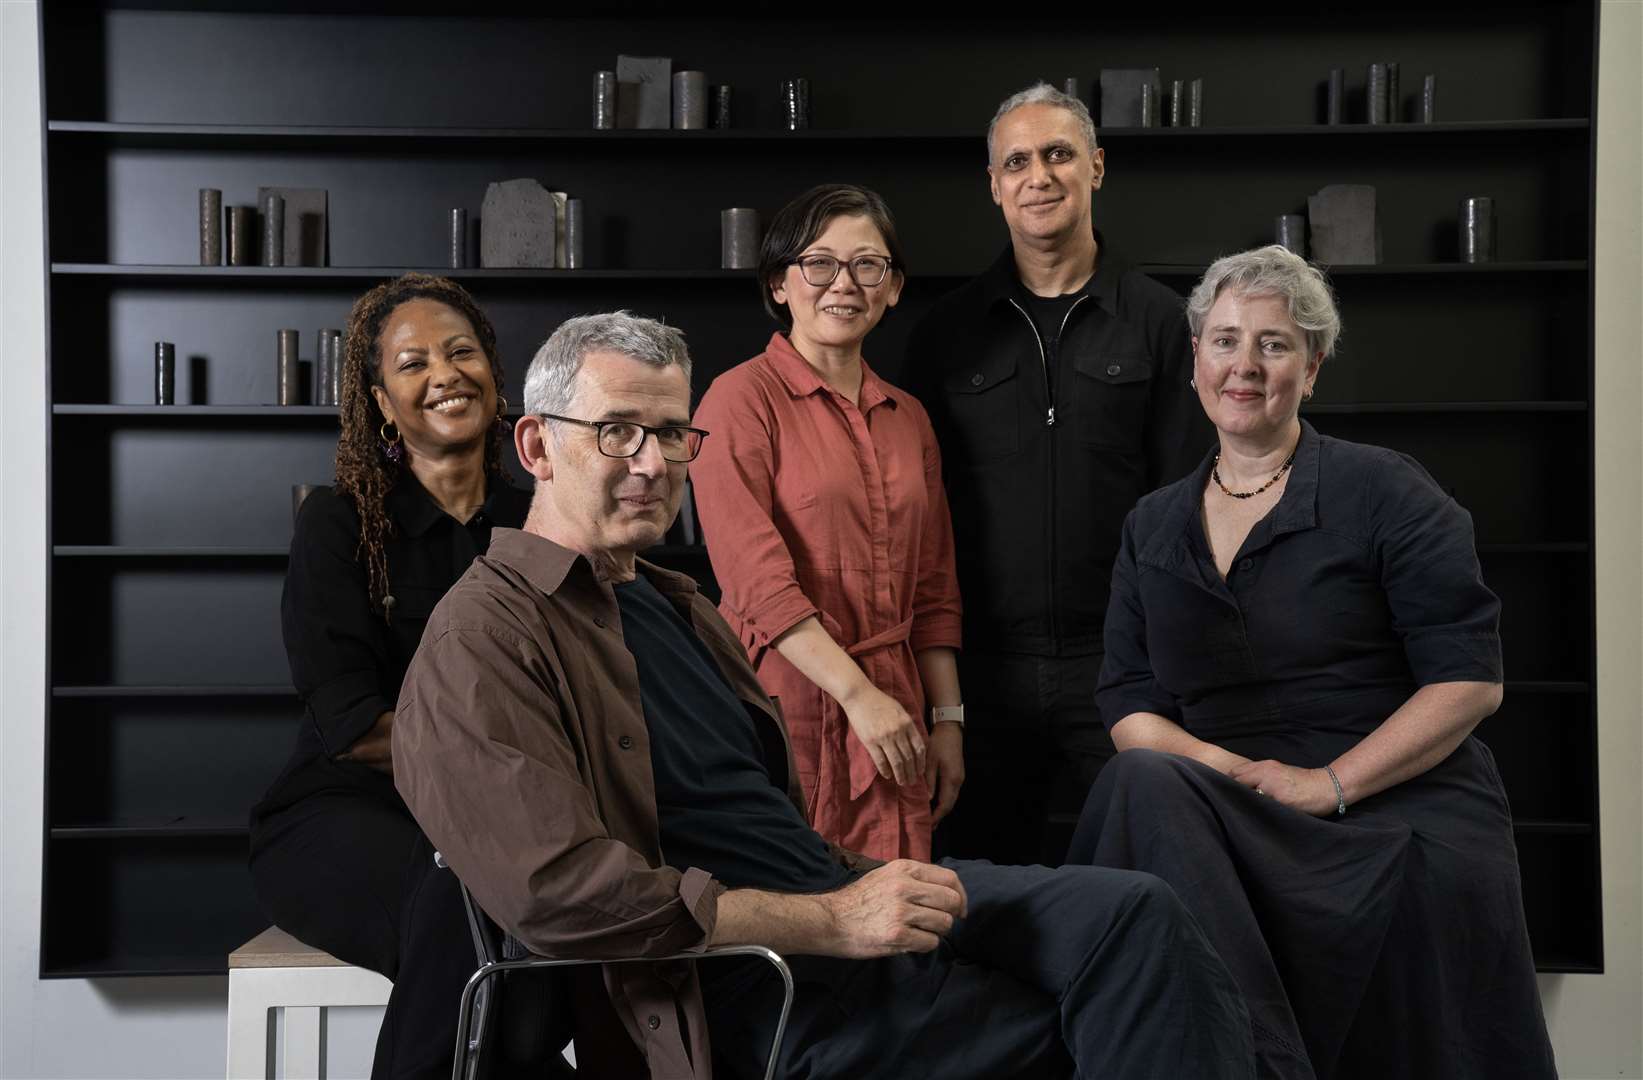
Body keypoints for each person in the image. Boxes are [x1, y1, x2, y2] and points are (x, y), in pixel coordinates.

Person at [391, 311, 1256, 1080]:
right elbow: (559, 898)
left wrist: (868, 887)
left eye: (669, 432)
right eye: (616, 432)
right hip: (769, 984)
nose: (653, 464)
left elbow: (766, 826)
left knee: (1136, 914)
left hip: (841, 900)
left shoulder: (675, 605)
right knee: (1116, 1021)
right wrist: (833, 921)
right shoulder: (486, 636)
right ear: (537, 445)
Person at [1068, 245, 1557, 1079]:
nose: (1243, 366)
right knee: (1140, 783)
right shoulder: (1150, 524)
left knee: (1146, 803)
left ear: (1313, 365)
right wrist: (1228, 773)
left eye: (1273, 343)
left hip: (1388, 797)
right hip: (1221, 802)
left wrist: (1325, 784)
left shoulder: (1385, 490)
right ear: (1194, 362)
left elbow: (1468, 680)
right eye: (1223, 341)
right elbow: (1128, 701)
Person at [903, 82, 1212, 865]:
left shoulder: (1162, 322)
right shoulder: (945, 334)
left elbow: (1188, 500)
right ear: (994, 185)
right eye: (1016, 161)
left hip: (1120, 664)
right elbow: (919, 510)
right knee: (981, 895)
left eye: (1057, 154)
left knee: (1142, 882)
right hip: (979, 669)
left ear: (1096, 168)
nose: (1037, 175)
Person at [248, 274, 532, 1080]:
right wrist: (514, 759)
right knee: (467, 899)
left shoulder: (540, 523)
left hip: (504, 816)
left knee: (526, 921)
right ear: (379, 401)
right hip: (342, 815)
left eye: (461, 351)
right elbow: (354, 725)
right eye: (413, 363)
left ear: (493, 374)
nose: (444, 373)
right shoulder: (338, 525)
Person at [691, 184, 964, 862]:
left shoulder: (909, 418)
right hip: (786, 698)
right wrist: (856, 696)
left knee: (900, 912)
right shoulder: (736, 399)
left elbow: (932, 588)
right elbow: (755, 582)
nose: (843, 284)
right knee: (800, 904)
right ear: (780, 284)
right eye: (818, 263)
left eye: (867, 265)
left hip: (895, 702)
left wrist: (948, 720)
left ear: (893, 287)